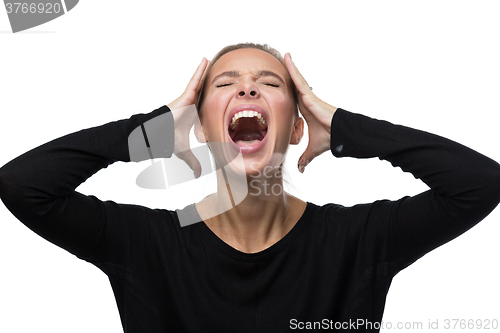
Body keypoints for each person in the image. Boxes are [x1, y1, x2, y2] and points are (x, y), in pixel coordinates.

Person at [0, 42, 499, 332]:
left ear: (298, 127)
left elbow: (480, 184)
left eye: (271, 83)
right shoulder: (145, 245)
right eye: (225, 83)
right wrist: (147, 131)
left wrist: (344, 127)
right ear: (197, 130)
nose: (247, 88)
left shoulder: (358, 240)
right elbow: (23, 185)